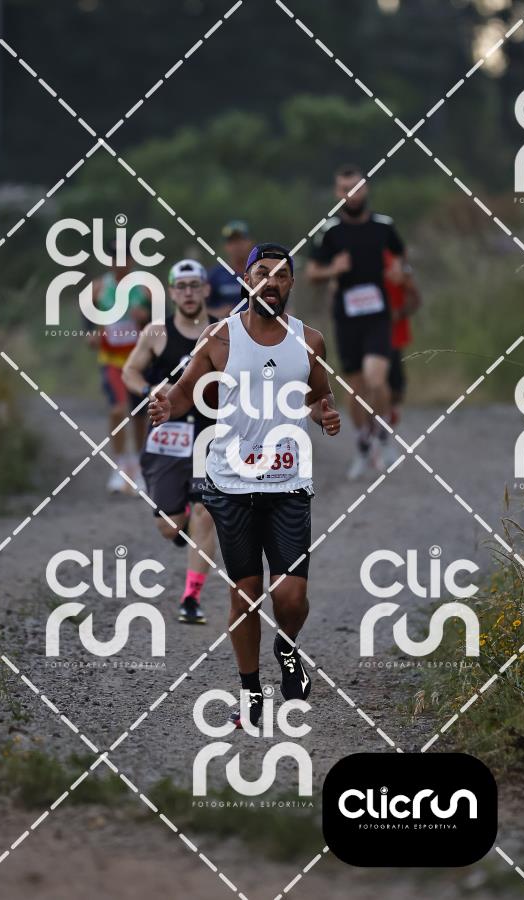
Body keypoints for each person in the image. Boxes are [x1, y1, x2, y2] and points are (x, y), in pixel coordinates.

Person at [149, 242, 340, 727]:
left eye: (281, 274)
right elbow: (186, 390)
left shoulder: (310, 340)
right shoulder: (219, 337)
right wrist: (167, 404)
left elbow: (319, 396)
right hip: (231, 484)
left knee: (290, 597)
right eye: (262, 273)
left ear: (291, 283)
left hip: (288, 483)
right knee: (246, 593)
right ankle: (251, 691)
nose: (271, 282)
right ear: (246, 281)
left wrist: (325, 415)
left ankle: (287, 646)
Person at [122, 259, 217, 624]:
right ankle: (181, 525)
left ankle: (191, 598)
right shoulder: (156, 332)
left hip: (210, 435)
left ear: (206, 289)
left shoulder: (223, 332)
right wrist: (149, 389)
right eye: (182, 286)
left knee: (205, 513)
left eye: (195, 285)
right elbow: (129, 371)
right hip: (167, 438)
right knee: (169, 526)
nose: (189, 293)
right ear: (172, 293)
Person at [306, 164, 405, 478]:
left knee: (377, 380)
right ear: (337, 193)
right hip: (347, 319)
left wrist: (400, 271)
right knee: (356, 389)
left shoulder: (384, 226)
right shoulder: (329, 231)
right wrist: (332, 269)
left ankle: (385, 438)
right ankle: (363, 446)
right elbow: (311, 272)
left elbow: (401, 258)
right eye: (344, 189)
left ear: (366, 189)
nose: (351, 195)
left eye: (356, 188)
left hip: (378, 316)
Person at [87, 243, 151, 493]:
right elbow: (87, 318)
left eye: (125, 257)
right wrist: (91, 333)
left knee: (140, 415)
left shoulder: (144, 287)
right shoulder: (99, 287)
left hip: (139, 360)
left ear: (132, 259)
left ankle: (140, 466)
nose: (120, 262)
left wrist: (145, 317)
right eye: (115, 257)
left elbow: (161, 319)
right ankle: (120, 465)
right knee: (117, 410)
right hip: (112, 360)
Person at [383, 249, 422, 428]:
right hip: (364, 332)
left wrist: (398, 313)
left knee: (395, 382)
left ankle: (391, 414)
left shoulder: (395, 259)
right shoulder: (354, 255)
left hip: (393, 334)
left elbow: (415, 299)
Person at [207, 220, 254, 319]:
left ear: (250, 242)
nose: (237, 246)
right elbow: (199, 309)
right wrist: (217, 312)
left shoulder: (262, 273)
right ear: (226, 246)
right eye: (232, 242)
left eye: (241, 240)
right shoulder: (215, 276)